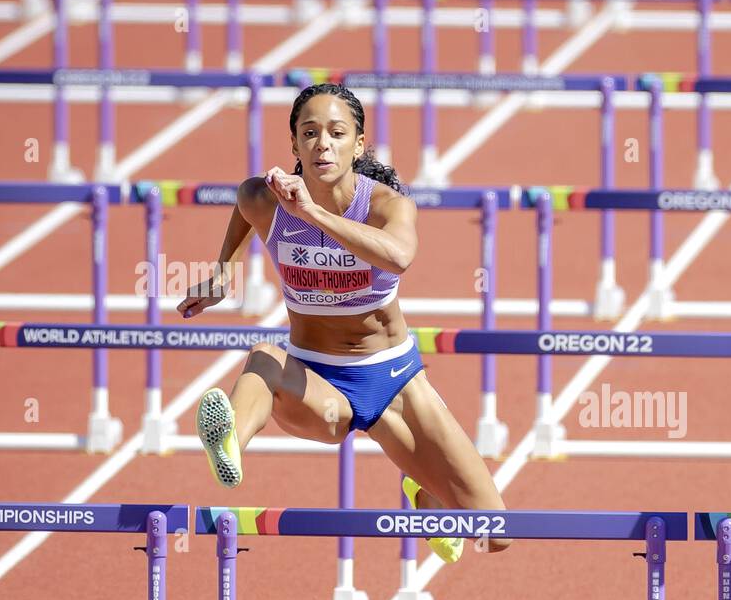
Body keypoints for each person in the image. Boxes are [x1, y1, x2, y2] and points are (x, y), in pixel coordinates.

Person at [178, 82, 508, 562]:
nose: (322, 144)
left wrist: (311, 213)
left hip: (393, 379)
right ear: (294, 145)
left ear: (358, 142)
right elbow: (245, 204)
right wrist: (222, 270)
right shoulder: (265, 198)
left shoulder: (387, 207)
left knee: (493, 535)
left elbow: (398, 257)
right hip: (316, 380)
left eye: (336, 133)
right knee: (265, 362)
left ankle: (423, 489)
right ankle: (230, 440)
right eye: (309, 133)